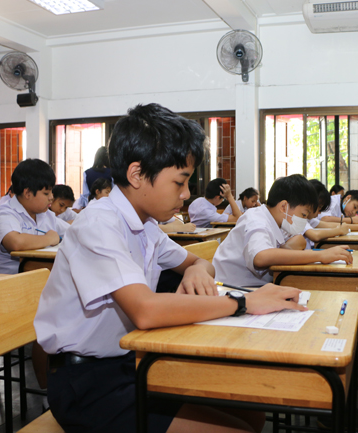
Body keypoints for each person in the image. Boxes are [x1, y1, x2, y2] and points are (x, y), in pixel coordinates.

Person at [34, 103, 305, 433]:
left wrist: (193, 271)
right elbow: (145, 311)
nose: (187, 194)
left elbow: (202, 263)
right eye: (180, 182)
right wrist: (244, 303)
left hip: (132, 359)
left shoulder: (145, 225)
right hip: (89, 384)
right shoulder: (99, 224)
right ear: (136, 175)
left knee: (252, 411)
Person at [212, 174, 353, 288]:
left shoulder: (279, 222)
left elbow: (299, 241)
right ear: (284, 206)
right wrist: (320, 255)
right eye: (304, 215)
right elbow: (261, 257)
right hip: (230, 289)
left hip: (255, 286)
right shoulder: (256, 219)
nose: (303, 221)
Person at [0, 159, 70, 275]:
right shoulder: (5, 213)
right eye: (46, 193)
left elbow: (71, 232)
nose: (51, 197)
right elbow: (15, 242)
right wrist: (50, 239)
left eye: (51, 192)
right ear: (27, 193)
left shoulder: (45, 214)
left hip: (33, 277)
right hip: (3, 283)